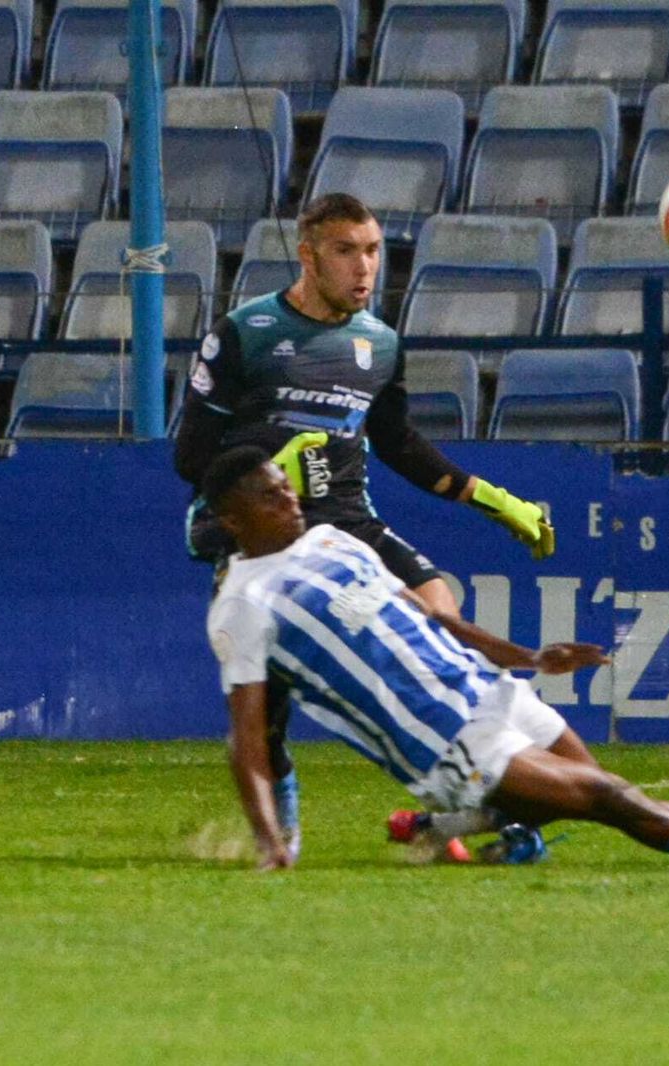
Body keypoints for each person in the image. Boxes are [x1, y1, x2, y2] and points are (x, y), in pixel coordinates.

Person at [201, 445, 669, 871]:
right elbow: (248, 737)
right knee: (607, 796)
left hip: (489, 689)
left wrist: (532, 658)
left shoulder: (333, 540)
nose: (290, 500)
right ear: (233, 519)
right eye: (270, 497)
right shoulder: (244, 603)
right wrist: (269, 841)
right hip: (444, 738)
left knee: (580, 788)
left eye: (287, 488)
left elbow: (438, 620)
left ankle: (438, 829)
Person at [174, 194, 553, 856]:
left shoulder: (379, 344)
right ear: (308, 255)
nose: (364, 267)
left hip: (352, 524)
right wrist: (276, 463)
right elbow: (191, 458)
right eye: (346, 251)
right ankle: (283, 820)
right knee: (266, 707)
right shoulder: (244, 334)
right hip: (271, 537)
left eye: (374, 251)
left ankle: (486, 812)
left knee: (445, 634)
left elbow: (399, 442)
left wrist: (495, 501)